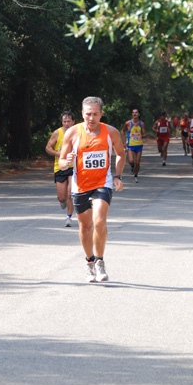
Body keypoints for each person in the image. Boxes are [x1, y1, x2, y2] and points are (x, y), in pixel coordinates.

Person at [59, 96, 125, 283]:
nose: (92, 118)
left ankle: (100, 261)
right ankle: (89, 263)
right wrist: (68, 162)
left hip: (102, 183)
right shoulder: (72, 133)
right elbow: (62, 163)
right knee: (85, 227)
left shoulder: (110, 132)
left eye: (96, 114)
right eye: (88, 114)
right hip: (80, 185)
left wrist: (118, 176)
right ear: (82, 114)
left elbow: (120, 154)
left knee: (99, 221)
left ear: (101, 114)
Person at [45, 110, 76, 226]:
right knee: (62, 197)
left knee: (70, 194)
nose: (66, 123)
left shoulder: (78, 132)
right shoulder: (57, 133)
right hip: (60, 166)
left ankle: (69, 217)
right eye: (64, 121)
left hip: (74, 167)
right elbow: (48, 147)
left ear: (73, 121)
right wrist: (59, 154)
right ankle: (63, 202)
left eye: (69, 121)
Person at [121, 107, 146, 183]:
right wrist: (124, 142)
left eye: (136, 112)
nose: (134, 114)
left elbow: (145, 134)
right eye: (133, 112)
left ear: (139, 114)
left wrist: (142, 136)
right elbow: (122, 131)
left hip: (139, 145)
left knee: (137, 162)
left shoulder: (141, 124)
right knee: (131, 161)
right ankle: (132, 167)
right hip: (130, 145)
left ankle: (135, 175)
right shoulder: (128, 123)